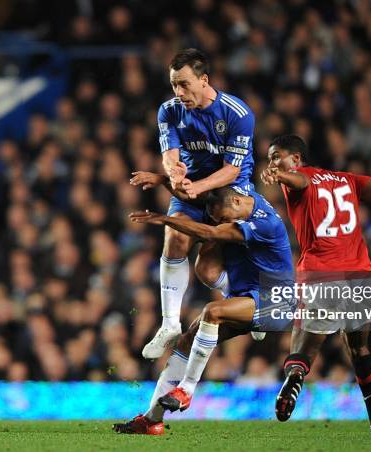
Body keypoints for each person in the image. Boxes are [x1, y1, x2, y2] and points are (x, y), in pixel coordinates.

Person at [261, 135, 371, 436]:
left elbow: (300, 182)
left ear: (296, 158)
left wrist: (280, 175)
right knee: (359, 349)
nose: (272, 163)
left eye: (276, 156)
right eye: (270, 159)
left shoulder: (299, 177)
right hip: (360, 277)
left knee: (303, 346)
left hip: (321, 275)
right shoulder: (346, 180)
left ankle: (295, 377)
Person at [113, 187, 295, 435]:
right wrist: (163, 180)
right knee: (188, 339)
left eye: (223, 217)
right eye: (218, 219)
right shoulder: (244, 198)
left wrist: (167, 219)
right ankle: (151, 419)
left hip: (276, 301)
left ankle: (186, 389)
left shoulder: (267, 224)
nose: (221, 223)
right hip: (249, 294)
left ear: (237, 201)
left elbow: (210, 230)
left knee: (212, 310)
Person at [142, 48, 256, 359]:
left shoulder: (238, 114)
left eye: (184, 84)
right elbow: (170, 154)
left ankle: (254, 300)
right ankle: (169, 325)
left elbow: (233, 168)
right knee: (174, 236)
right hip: (194, 190)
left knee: (207, 270)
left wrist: (198, 187)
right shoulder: (169, 110)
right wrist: (173, 171)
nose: (179, 92)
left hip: (231, 194)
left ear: (203, 80)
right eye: (174, 85)